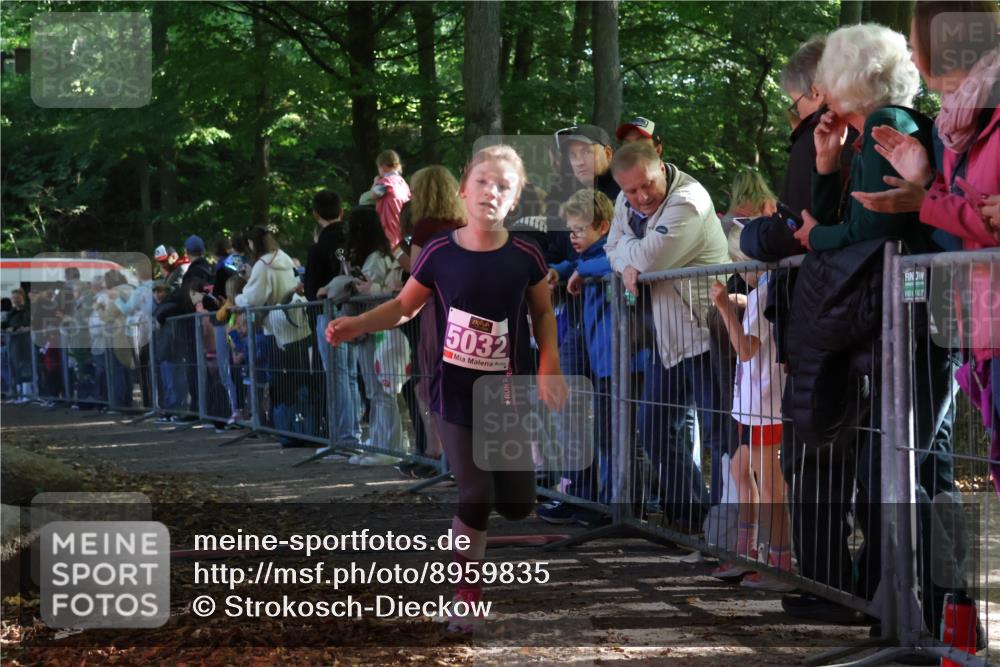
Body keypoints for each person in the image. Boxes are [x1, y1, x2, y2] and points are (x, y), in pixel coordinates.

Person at [326, 144, 567, 633]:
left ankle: (468, 535)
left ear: (515, 199)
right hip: (452, 390)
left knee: (518, 505)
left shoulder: (526, 254)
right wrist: (356, 324)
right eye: (482, 182)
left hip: (505, 394)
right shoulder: (439, 250)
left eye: (503, 186)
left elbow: (542, 312)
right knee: (475, 492)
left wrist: (549, 364)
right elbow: (403, 307)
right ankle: (465, 594)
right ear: (463, 189)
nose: (491, 193)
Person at [605, 140, 732, 531]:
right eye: (630, 190)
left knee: (718, 435)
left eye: (647, 184)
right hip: (669, 338)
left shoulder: (688, 200)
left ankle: (727, 528)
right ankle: (692, 517)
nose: (641, 197)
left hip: (708, 332)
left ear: (661, 165)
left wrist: (630, 255)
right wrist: (630, 255)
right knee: (654, 425)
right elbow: (611, 248)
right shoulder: (625, 205)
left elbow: (645, 260)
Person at [709, 227, 794, 592]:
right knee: (739, 468)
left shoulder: (763, 294)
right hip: (754, 405)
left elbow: (745, 350)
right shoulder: (764, 293)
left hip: (763, 405)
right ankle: (748, 551)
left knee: (770, 482)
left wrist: (727, 310)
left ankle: (779, 560)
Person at [536, 189, 616, 528]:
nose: (573, 237)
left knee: (609, 430)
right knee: (572, 418)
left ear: (603, 225)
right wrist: (559, 268)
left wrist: (578, 271)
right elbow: (578, 261)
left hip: (609, 354)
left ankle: (611, 505)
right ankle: (577, 492)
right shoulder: (581, 260)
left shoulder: (614, 249)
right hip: (585, 343)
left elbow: (614, 258)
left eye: (579, 230)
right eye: (570, 230)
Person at [396, 166, 466, 478]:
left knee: (435, 380)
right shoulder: (463, 223)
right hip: (466, 310)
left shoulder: (425, 228)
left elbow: (417, 270)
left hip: (436, 312)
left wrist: (397, 252)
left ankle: (443, 456)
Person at [236, 225, 313, 448]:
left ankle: (288, 433)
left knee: (281, 384)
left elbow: (253, 297)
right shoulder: (285, 258)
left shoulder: (262, 265)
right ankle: (306, 429)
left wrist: (238, 299)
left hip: (276, 330)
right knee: (301, 380)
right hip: (296, 324)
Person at [343, 205, 405, 466]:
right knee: (375, 390)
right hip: (372, 329)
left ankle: (388, 448)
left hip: (378, 330)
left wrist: (367, 288)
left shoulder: (378, 258)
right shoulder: (376, 256)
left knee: (382, 390)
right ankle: (381, 443)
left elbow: (385, 293)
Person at [305, 189, 362, 454]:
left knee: (339, 377)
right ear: (341, 211)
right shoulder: (354, 240)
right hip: (355, 313)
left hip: (329, 317)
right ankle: (353, 432)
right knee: (350, 375)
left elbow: (311, 290)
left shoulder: (319, 248)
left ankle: (344, 437)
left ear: (316, 214)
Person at [370, 149, 411, 254]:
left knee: (392, 252)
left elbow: (373, 195)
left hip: (389, 225)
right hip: (403, 223)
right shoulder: (402, 182)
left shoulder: (385, 183)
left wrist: (375, 182)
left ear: (382, 166)